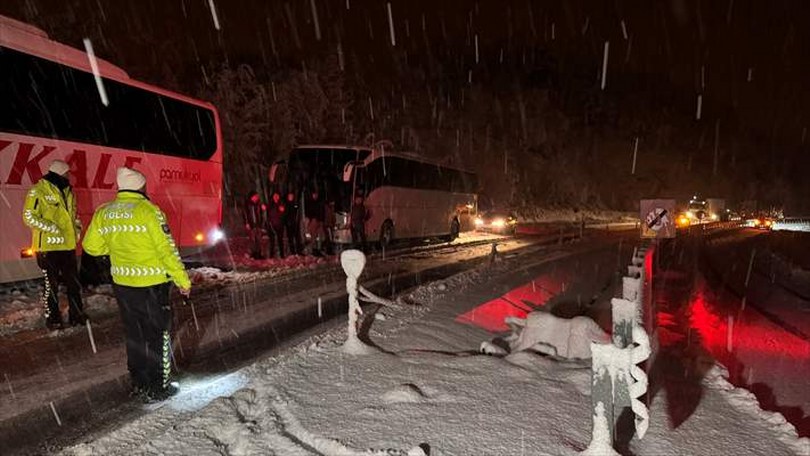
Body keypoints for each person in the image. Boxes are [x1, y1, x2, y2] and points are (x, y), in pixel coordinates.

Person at [83, 167, 191, 402]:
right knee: (158, 333)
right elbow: (167, 251)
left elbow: (91, 247)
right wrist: (182, 280)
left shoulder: (104, 212)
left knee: (134, 333)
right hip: (152, 284)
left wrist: (113, 248)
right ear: (141, 187)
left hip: (123, 284)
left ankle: (139, 382)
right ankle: (159, 385)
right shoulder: (150, 211)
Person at [22, 159, 86, 329]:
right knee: (51, 287)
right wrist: (50, 227)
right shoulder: (38, 191)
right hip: (47, 249)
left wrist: (77, 230)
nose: (68, 176)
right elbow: (28, 217)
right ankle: (53, 319)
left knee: (74, 284)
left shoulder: (69, 192)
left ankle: (77, 315)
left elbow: (74, 215)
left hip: (67, 247)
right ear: (59, 173)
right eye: (66, 173)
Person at [242, 191, 265, 259]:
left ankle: (259, 253)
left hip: (258, 224)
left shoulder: (258, 204)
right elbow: (245, 214)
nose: (256, 198)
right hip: (251, 223)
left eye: (257, 196)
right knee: (252, 240)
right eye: (255, 196)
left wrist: (261, 222)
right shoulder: (247, 204)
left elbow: (261, 214)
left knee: (258, 240)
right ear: (252, 197)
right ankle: (253, 253)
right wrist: (246, 223)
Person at [304, 189, 326, 256]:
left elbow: (322, 212)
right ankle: (314, 249)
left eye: (316, 194)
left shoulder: (319, 203)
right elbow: (309, 213)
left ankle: (319, 248)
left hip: (319, 221)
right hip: (313, 220)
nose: (315, 196)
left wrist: (321, 220)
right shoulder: (310, 203)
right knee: (313, 236)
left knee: (320, 236)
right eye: (314, 194)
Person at [266, 191, 286, 259]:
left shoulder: (281, 203)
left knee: (280, 240)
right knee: (272, 241)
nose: (276, 197)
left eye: (277, 196)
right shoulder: (270, 204)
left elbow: (284, 213)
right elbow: (268, 214)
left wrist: (282, 211)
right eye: (275, 196)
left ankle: (282, 254)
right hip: (272, 224)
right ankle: (271, 255)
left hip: (280, 224)